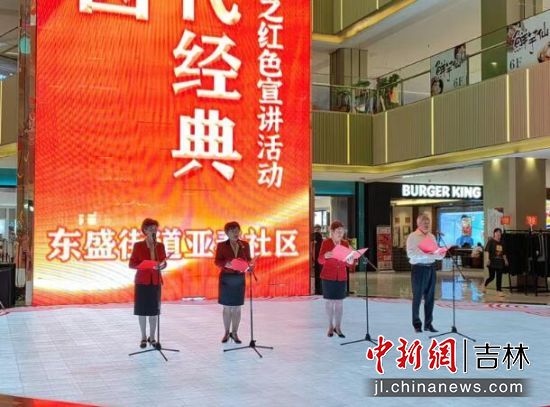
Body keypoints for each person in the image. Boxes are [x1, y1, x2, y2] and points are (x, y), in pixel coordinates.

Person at [129, 218, 167, 349]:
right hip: (142, 281)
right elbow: (132, 264)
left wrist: (162, 265)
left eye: (155, 229)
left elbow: (163, 262)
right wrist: (144, 265)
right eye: (151, 229)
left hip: (155, 281)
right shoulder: (138, 246)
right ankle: (143, 337)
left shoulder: (160, 246)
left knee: (154, 311)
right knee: (142, 310)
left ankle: (152, 337)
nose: (154, 231)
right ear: (145, 230)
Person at [406, 213, 446, 333]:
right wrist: (426, 255)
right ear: (418, 224)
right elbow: (410, 254)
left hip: (431, 268)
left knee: (430, 298)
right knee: (417, 297)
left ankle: (428, 324)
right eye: (424, 223)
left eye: (428, 223)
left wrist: (441, 254)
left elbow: (435, 253)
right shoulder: (412, 237)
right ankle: (417, 325)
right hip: (419, 269)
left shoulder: (432, 236)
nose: (427, 225)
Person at [215, 221, 252, 344]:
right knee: (227, 308)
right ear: (227, 233)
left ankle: (235, 333)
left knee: (237, 308)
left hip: (239, 278)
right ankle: (226, 332)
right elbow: (217, 261)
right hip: (226, 278)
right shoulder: (221, 245)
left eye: (237, 230)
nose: (236, 233)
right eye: (232, 231)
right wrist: (227, 264)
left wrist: (250, 265)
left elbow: (248, 259)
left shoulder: (244, 245)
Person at [317, 220, 354, 338]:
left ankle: (338, 327)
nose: (340, 234)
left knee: (339, 303)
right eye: (338, 231)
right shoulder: (326, 243)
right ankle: (330, 326)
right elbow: (320, 260)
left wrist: (351, 261)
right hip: (328, 276)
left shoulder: (345, 243)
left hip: (341, 276)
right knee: (329, 302)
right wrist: (325, 256)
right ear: (332, 232)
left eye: (342, 231)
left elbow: (349, 263)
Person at [482, 228, 509, 297]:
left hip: (500, 262)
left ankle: (499, 291)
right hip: (492, 262)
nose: (498, 234)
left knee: (499, 277)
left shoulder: (502, 242)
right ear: (494, 234)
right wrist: (487, 259)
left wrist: (505, 260)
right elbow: (487, 251)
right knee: (492, 277)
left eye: (500, 232)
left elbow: (504, 253)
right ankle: (484, 285)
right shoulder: (491, 241)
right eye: (497, 232)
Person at [312, 224, 324, 295]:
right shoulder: (317, 236)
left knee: (318, 275)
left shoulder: (316, 236)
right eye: (316, 229)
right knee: (319, 275)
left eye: (318, 229)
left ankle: (318, 290)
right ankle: (319, 290)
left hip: (318, 258)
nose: (317, 230)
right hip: (318, 258)